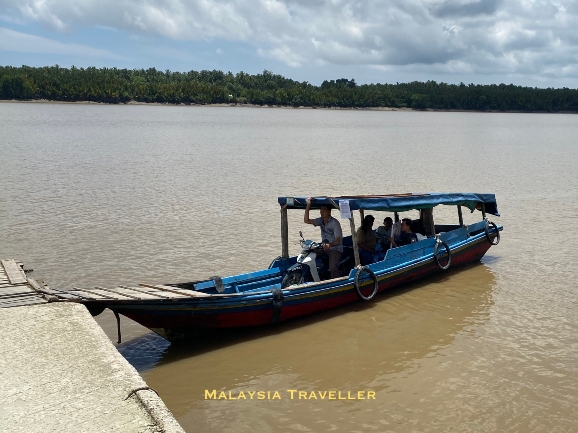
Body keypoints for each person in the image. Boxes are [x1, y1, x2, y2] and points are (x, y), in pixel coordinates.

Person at [304, 198, 343, 279]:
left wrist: (330, 245)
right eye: (321, 210)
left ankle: (336, 283)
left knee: (332, 269)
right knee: (308, 254)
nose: (321, 212)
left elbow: (338, 240)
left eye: (324, 210)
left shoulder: (335, 223)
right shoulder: (320, 220)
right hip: (324, 247)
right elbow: (306, 220)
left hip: (335, 249)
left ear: (329, 212)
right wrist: (308, 205)